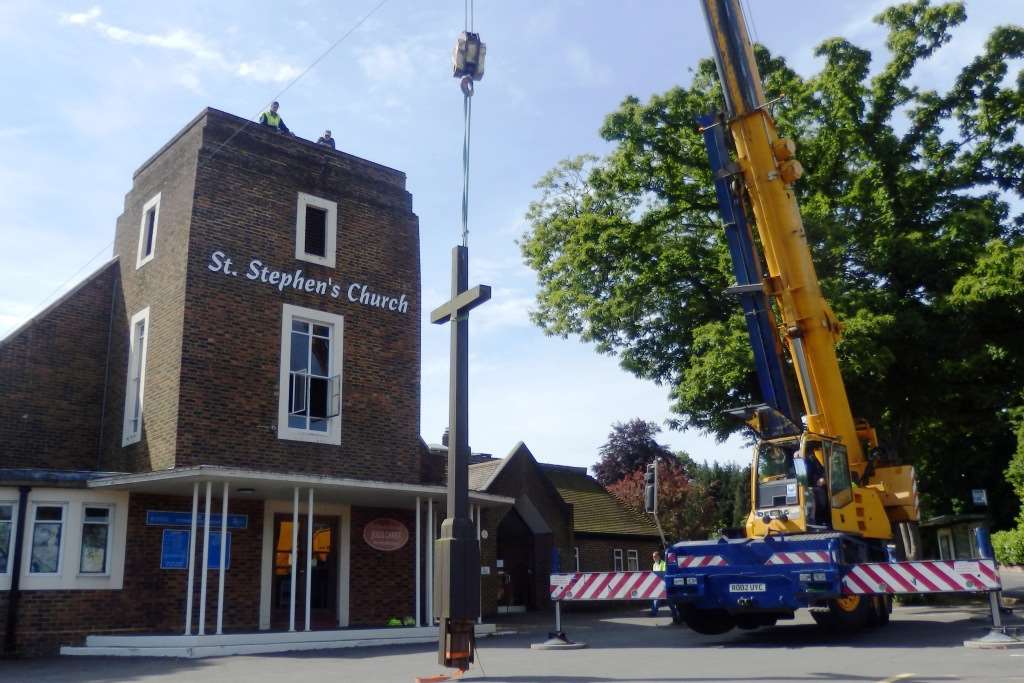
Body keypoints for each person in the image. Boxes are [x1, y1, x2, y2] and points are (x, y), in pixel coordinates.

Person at [651, 550, 666, 616]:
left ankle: (675, 613)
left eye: (655, 556)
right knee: (656, 598)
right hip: (657, 584)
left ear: (659, 557)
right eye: (653, 557)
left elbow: (664, 574)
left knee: (669, 600)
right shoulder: (654, 565)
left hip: (664, 583)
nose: (654, 558)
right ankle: (654, 612)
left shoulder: (663, 563)